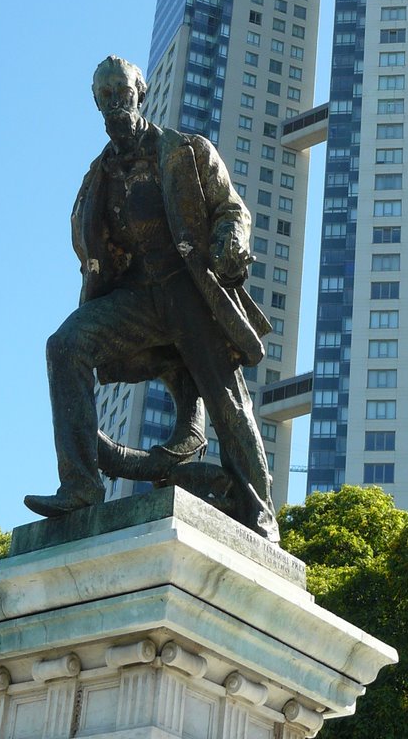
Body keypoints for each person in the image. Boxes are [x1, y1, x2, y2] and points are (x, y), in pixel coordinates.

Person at [24, 55, 279, 541]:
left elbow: (232, 210)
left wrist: (231, 243)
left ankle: (258, 514)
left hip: (189, 287)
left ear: (140, 94)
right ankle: (80, 485)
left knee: (226, 400)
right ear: (96, 103)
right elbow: (90, 245)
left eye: (123, 92)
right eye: (106, 96)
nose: (116, 102)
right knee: (65, 345)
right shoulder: (96, 177)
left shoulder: (185, 151)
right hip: (137, 298)